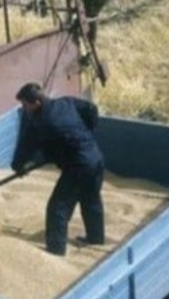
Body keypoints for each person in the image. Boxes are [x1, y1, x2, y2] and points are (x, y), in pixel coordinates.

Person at [11, 82, 105, 256]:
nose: (24, 108)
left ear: (36, 103)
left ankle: (55, 249)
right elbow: (91, 109)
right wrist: (88, 134)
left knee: (58, 207)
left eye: (25, 105)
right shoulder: (66, 102)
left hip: (78, 166)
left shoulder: (40, 122)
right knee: (90, 200)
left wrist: (18, 166)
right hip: (96, 157)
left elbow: (27, 147)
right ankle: (96, 238)